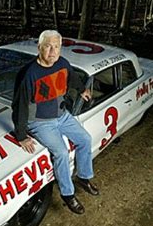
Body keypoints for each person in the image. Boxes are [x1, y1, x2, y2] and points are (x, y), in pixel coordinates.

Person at [12, 30, 99, 214]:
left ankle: (83, 176)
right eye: (48, 46)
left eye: (56, 47)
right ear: (39, 48)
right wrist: (21, 135)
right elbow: (19, 106)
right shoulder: (29, 74)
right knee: (60, 152)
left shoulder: (62, 63)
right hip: (40, 122)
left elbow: (72, 75)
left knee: (85, 139)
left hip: (62, 115)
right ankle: (68, 194)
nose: (52, 51)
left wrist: (82, 89)